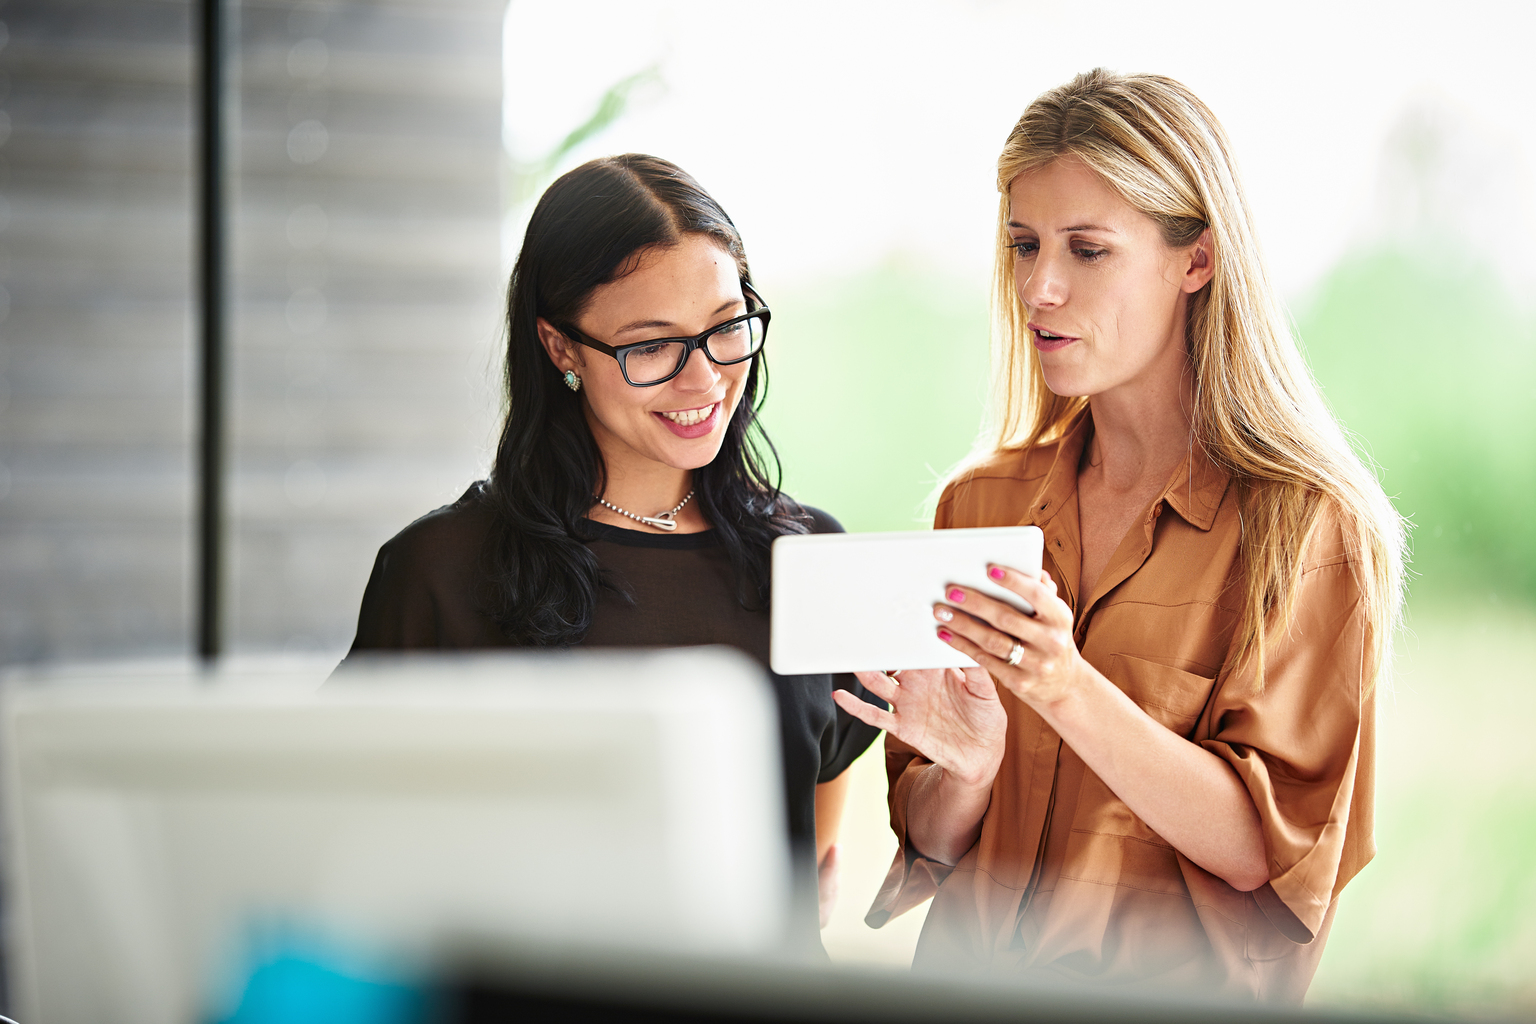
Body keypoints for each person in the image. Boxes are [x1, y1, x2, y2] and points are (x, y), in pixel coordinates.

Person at [834, 70, 1406, 1001]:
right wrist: (968, 778)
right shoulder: (976, 506)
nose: (1040, 288)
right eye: (1024, 245)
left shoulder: (1307, 530)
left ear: (1198, 260)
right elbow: (931, 843)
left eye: (1088, 251)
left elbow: (1265, 852)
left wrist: (1062, 686)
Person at [344, 154, 882, 948]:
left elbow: (815, 817)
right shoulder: (441, 571)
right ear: (561, 348)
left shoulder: (809, 557)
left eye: (727, 328)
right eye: (651, 346)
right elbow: (353, 853)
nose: (703, 380)